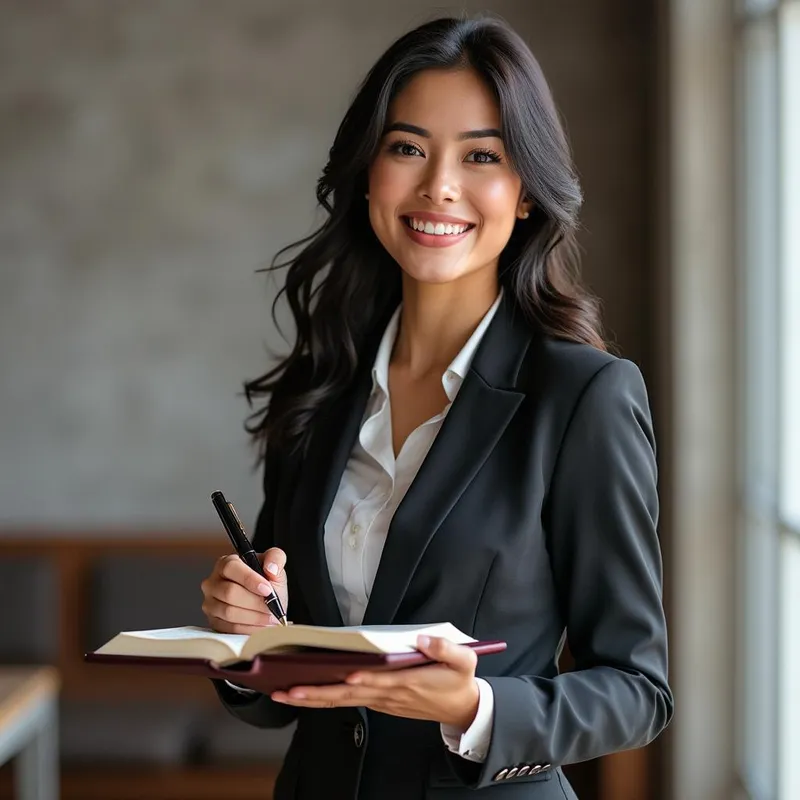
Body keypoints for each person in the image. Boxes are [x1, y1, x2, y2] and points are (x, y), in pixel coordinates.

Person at [199, 13, 673, 800]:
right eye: (408, 148)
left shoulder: (584, 396)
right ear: (368, 173)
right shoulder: (323, 383)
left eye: (481, 155)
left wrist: (477, 706)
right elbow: (283, 693)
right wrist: (247, 634)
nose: (438, 186)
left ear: (525, 194)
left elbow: (637, 689)